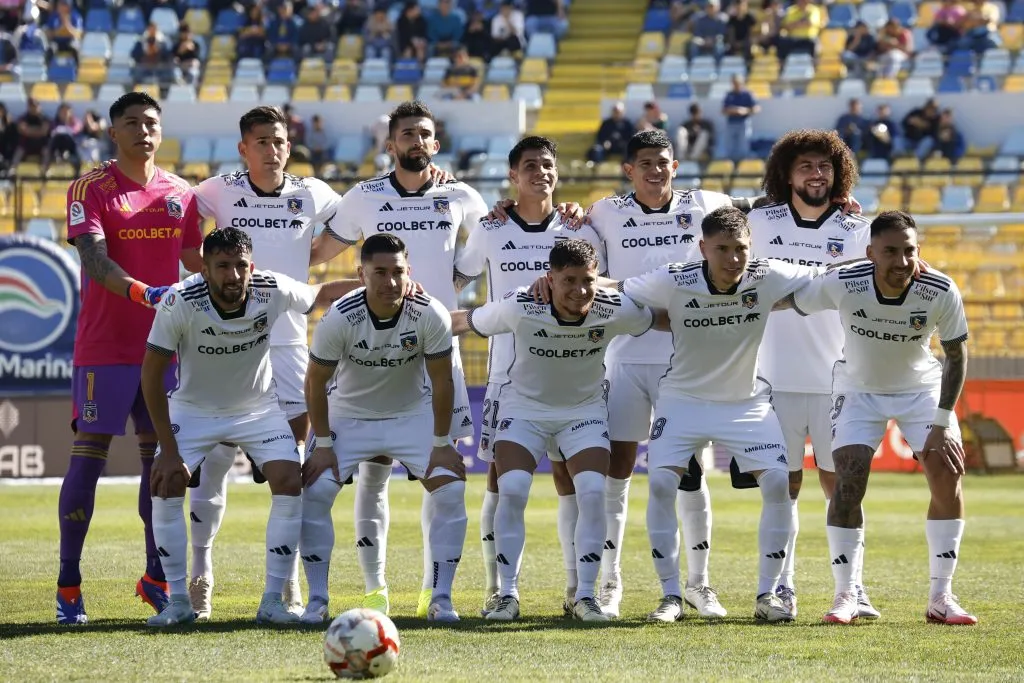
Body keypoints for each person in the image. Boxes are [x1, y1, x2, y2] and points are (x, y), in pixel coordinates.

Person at [310, 100, 488, 617]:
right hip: (369, 348)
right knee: (372, 473)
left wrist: (448, 291)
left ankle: (438, 594)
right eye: (406, 133)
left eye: (424, 134)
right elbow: (319, 251)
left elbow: (489, 245)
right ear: (390, 145)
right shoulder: (363, 196)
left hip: (435, 349)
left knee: (441, 469)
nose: (415, 140)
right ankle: (375, 589)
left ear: (436, 144)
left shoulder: (462, 195)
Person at [614, 206, 821, 623]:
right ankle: (672, 595)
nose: (733, 259)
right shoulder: (675, 278)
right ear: (702, 248)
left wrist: (879, 260)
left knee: (779, 483)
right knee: (659, 487)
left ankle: (768, 595)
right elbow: (618, 287)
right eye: (722, 249)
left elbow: (827, 272)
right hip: (682, 401)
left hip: (745, 404)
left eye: (741, 249)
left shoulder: (767, 274)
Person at [584, 129, 757, 619]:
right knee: (617, 473)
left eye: (663, 161)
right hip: (624, 359)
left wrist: (836, 199)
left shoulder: (707, 202)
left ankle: (698, 585)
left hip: (686, 363)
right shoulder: (603, 213)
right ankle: (609, 582)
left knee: (690, 474)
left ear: (675, 166)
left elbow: (763, 208)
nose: (655, 169)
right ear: (628, 170)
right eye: (645, 163)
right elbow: (580, 266)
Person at [184, 105, 346, 621]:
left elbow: (349, 228)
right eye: (261, 141)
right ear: (243, 148)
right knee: (209, 464)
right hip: (223, 341)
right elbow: (186, 231)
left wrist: (301, 260)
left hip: (290, 346)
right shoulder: (217, 189)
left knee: (292, 468)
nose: (272, 149)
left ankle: (288, 585)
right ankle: (199, 574)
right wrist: (213, 278)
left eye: (279, 141)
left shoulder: (313, 192)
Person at [141, 228, 347, 627]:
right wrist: (167, 449)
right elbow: (151, 375)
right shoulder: (179, 301)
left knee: (290, 479)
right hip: (193, 409)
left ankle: (273, 601)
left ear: (251, 266)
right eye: (222, 267)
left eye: (240, 266)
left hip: (257, 408)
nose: (233, 276)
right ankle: (179, 602)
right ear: (204, 268)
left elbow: (320, 295)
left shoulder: (272, 288)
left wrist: (381, 281)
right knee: (164, 483)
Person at [452, 239, 658, 622]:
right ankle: (507, 595)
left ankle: (584, 596)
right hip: (524, 411)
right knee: (511, 490)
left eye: (588, 280)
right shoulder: (521, 304)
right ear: (550, 279)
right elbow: (465, 321)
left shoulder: (611, 306)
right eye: (569, 281)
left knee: (594, 493)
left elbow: (656, 317)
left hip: (583, 414)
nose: (579, 291)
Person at [57, 91, 204, 625]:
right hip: (105, 347)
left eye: (151, 122)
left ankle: (155, 576)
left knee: (161, 461)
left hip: (165, 349)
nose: (143, 130)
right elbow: (95, 260)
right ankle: (68, 585)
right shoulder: (89, 188)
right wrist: (144, 292)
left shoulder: (180, 193)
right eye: (132, 123)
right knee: (87, 459)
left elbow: (195, 261)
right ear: (112, 132)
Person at [790, 210, 976, 626]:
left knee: (946, 473)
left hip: (921, 390)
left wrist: (943, 421)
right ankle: (846, 595)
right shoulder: (844, 281)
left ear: (918, 252)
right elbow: (793, 298)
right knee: (848, 479)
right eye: (890, 251)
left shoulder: (940, 288)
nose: (901, 261)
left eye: (908, 251)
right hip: (858, 389)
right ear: (870, 253)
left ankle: (941, 596)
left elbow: (957, 355)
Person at [452, 136, 607, 617]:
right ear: (512, 176)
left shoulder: (579, 227)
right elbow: (457, 279)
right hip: (506, 378)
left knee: (570, 480)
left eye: (547, 165)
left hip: (574, 375)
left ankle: (575, 590)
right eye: (530, 166)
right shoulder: (490, 227)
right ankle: (500, 589)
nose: (540, 172)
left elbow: (604, 283)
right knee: (500, 483)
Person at [300, 233, 468, 624]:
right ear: (361, 273)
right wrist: (322, 444)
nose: (390, 282)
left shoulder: (430, 313)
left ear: (409, 272)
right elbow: (315, 383)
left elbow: (442, 381)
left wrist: (442, 443)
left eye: (398, 272)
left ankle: (441, 597)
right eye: (380, 272)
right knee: (316, 490)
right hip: (349, 416)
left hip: (410, 416)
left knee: (451, 488)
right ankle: (318, 600)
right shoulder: (340, 316)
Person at [748, 129, 876, 620]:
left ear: (838, 173)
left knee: (842, 486)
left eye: (825, 166)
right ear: (787, 173)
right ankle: (782, 588)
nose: (816, 173)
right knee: (782, 487)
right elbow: (711, 218)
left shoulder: (855, 227)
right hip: (772, 378)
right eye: (805, 165)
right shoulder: (760, 219)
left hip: (837, 381)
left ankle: (851, 589)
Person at [722, 75, 759, 162]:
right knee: (729, 147)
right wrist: (732, 111)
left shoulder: (748, 94)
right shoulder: (729, 95)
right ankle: (729, 166)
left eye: (737, 83)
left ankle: (743, 166)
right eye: (733, 83)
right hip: (731, 124)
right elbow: (723, 110)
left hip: (743, 123)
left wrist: (744, 111)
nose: (735, 85)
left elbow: (756, 108)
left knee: (744, 147)